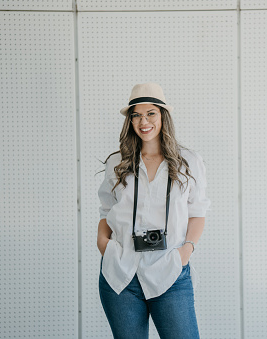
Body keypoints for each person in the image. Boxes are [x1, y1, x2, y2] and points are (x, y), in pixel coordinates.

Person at [96, 82, 211, 339]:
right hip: (121, 272)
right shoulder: (117, 162)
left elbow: (198, 211)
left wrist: (186, 251)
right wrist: (103, 244)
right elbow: (106, 209)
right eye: (136, 115)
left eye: (151, 113)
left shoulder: (188, 162)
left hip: (169, 270)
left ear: (163, 116)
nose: (143, 121)